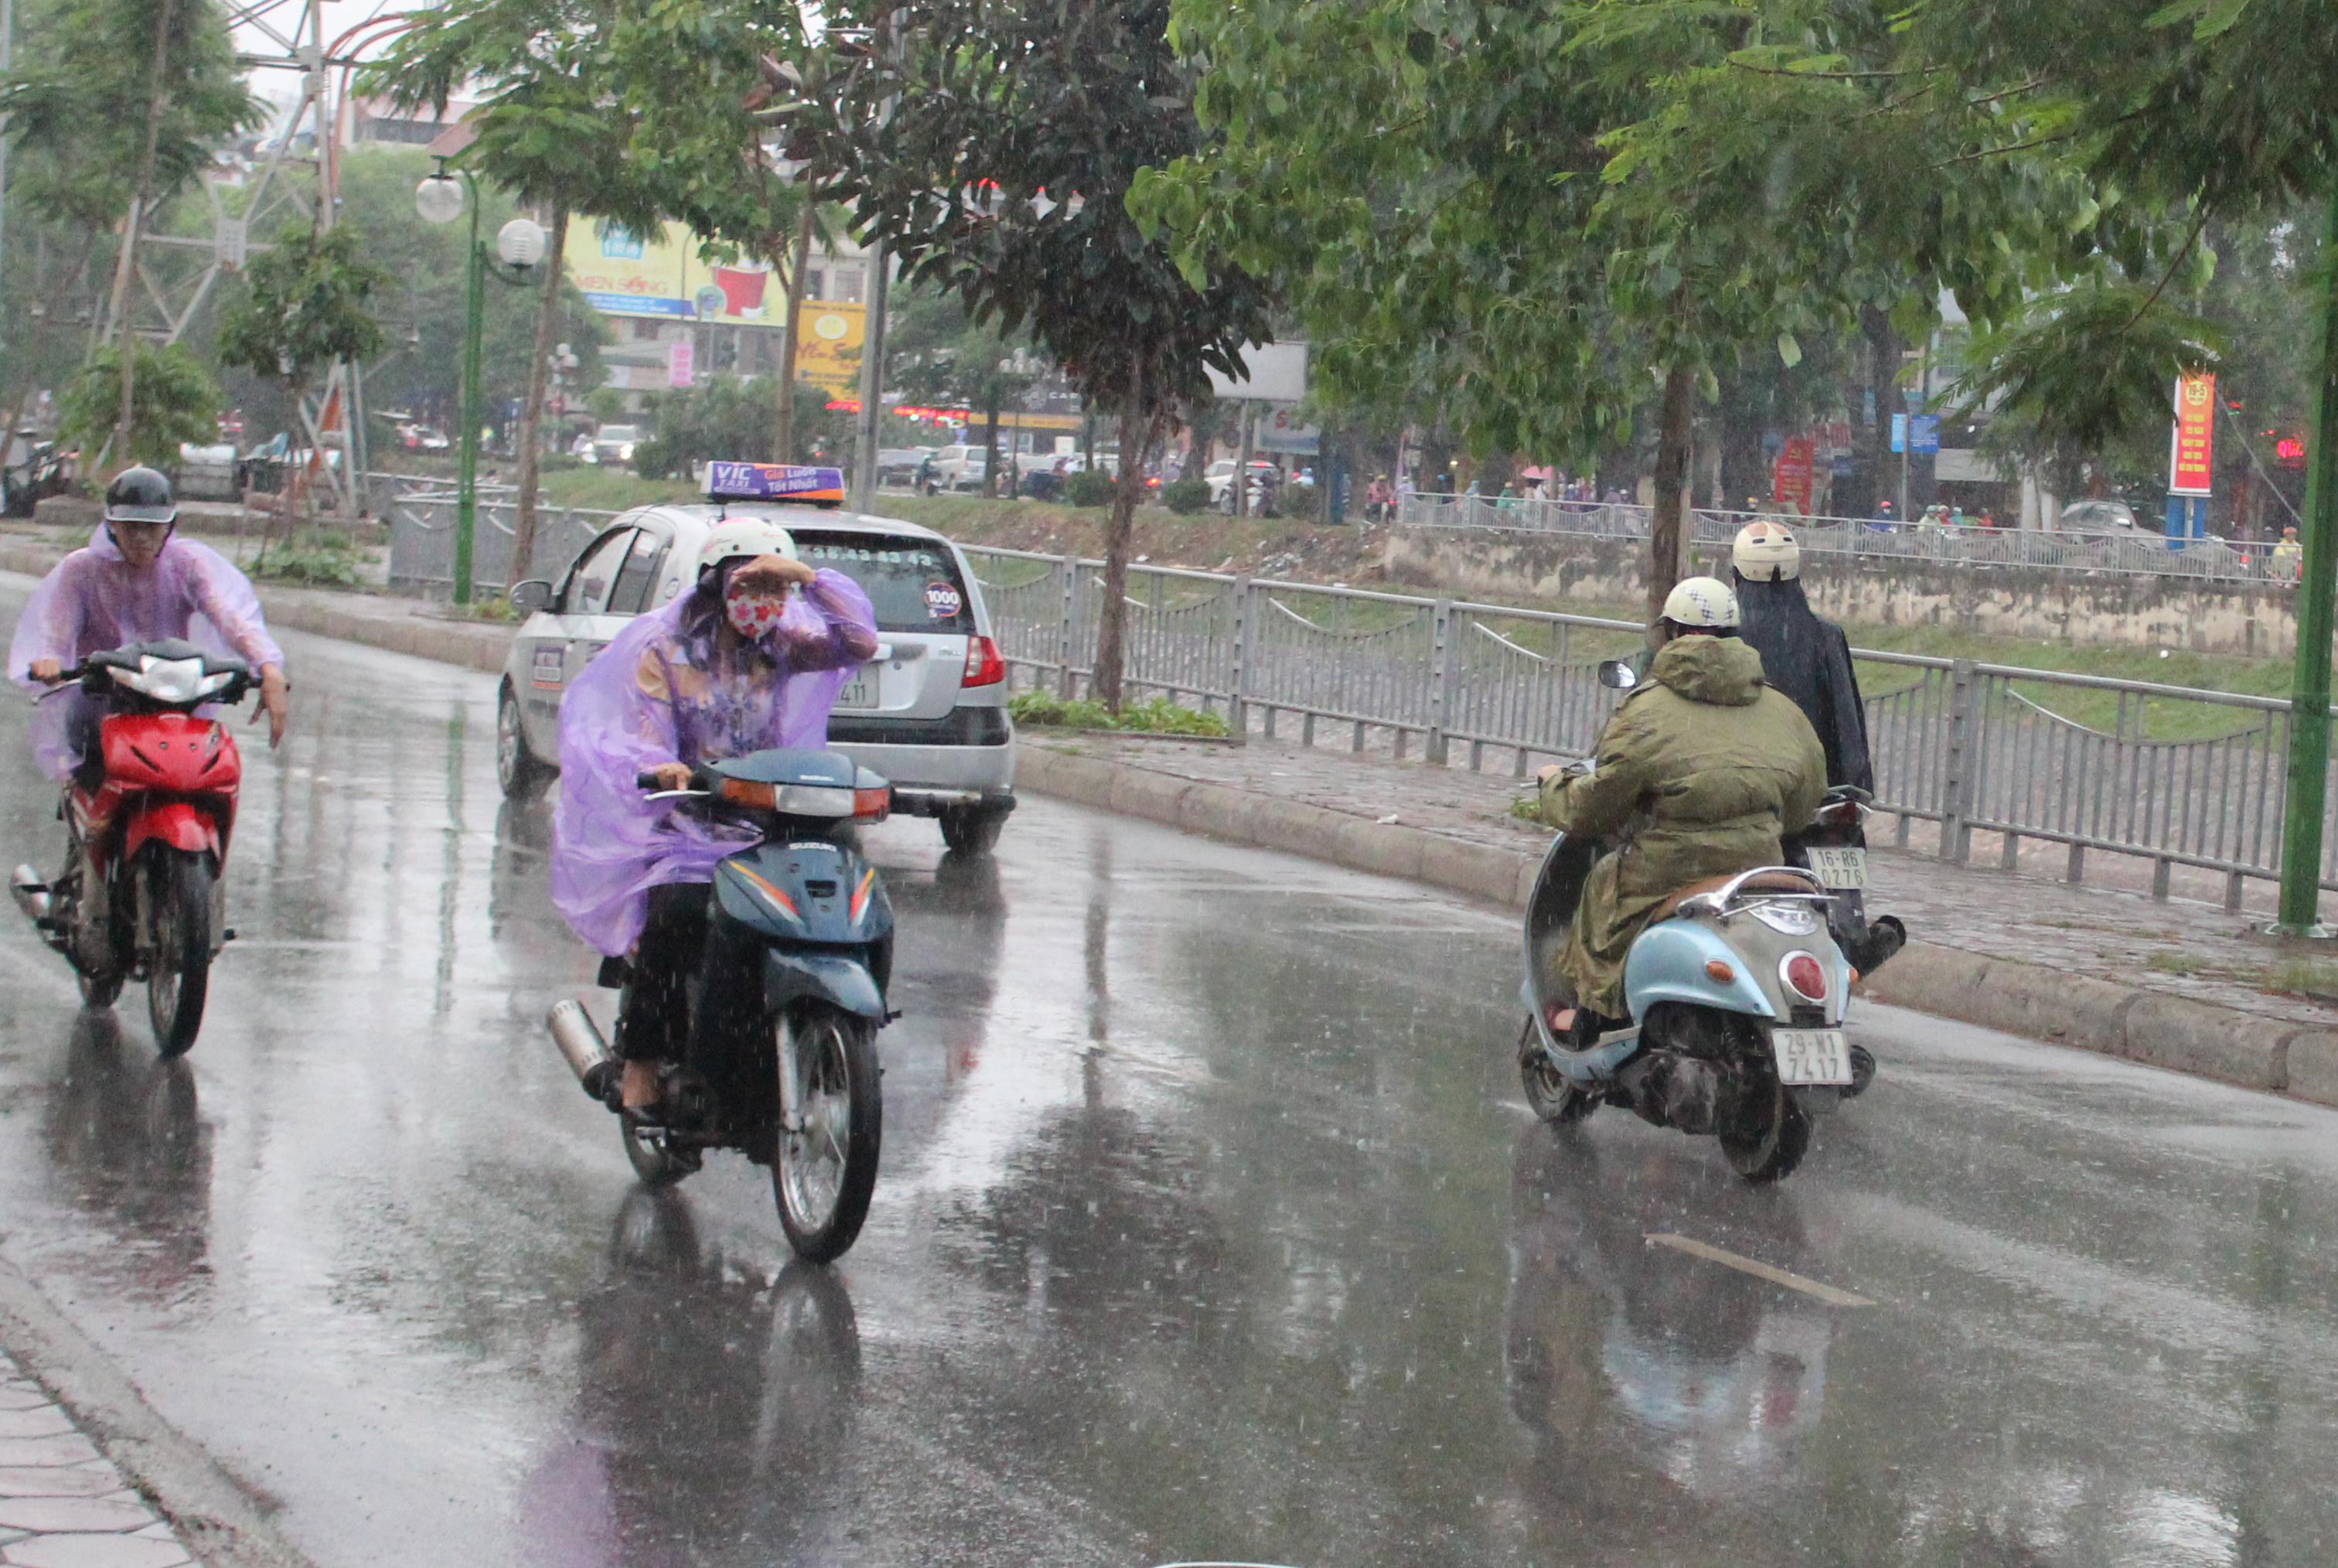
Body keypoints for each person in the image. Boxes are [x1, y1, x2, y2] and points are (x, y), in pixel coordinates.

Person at [549, 516, 880, 1117]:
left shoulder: (783, 645)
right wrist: (665, 769)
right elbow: (648, 730)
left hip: (767, 819)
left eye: (777, 590)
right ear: (716, 583)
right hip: (690, 822)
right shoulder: (666, 650)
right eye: (753, 586)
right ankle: (643, 1068)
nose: (766, 603)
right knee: (675, 915)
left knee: (846, 902)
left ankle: (828, 1037)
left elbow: (857, 643)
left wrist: (809, 579)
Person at [1532, 577, 1825, 1031]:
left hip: (1666, 874)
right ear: (1734, 634)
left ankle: (1595, 1014)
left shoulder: (1645, 711)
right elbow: (1803, 809)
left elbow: (1593, 811)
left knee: (1604, 889)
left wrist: (1555, 787)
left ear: (1671, 633)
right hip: (1755, 871)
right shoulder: (1785, 712)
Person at [9, 466, 288, 785]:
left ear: (170, 527)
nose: (141, 538)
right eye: (131, 527)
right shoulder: (82, 569)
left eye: (151, 528)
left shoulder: (186, 566)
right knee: (91, 774)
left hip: (172, 699)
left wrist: (267, 665)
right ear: (111, 525)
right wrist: (50, 658)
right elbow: (56, 629)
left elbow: (228, 614)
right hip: (101, 699)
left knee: (207, 776)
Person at [1730, 520, 1873, 793]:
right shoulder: (1825, 635)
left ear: (1736, 573)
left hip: (1740, 787)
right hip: (1811, 787)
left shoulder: (1724, 635)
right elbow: (1846, 727)